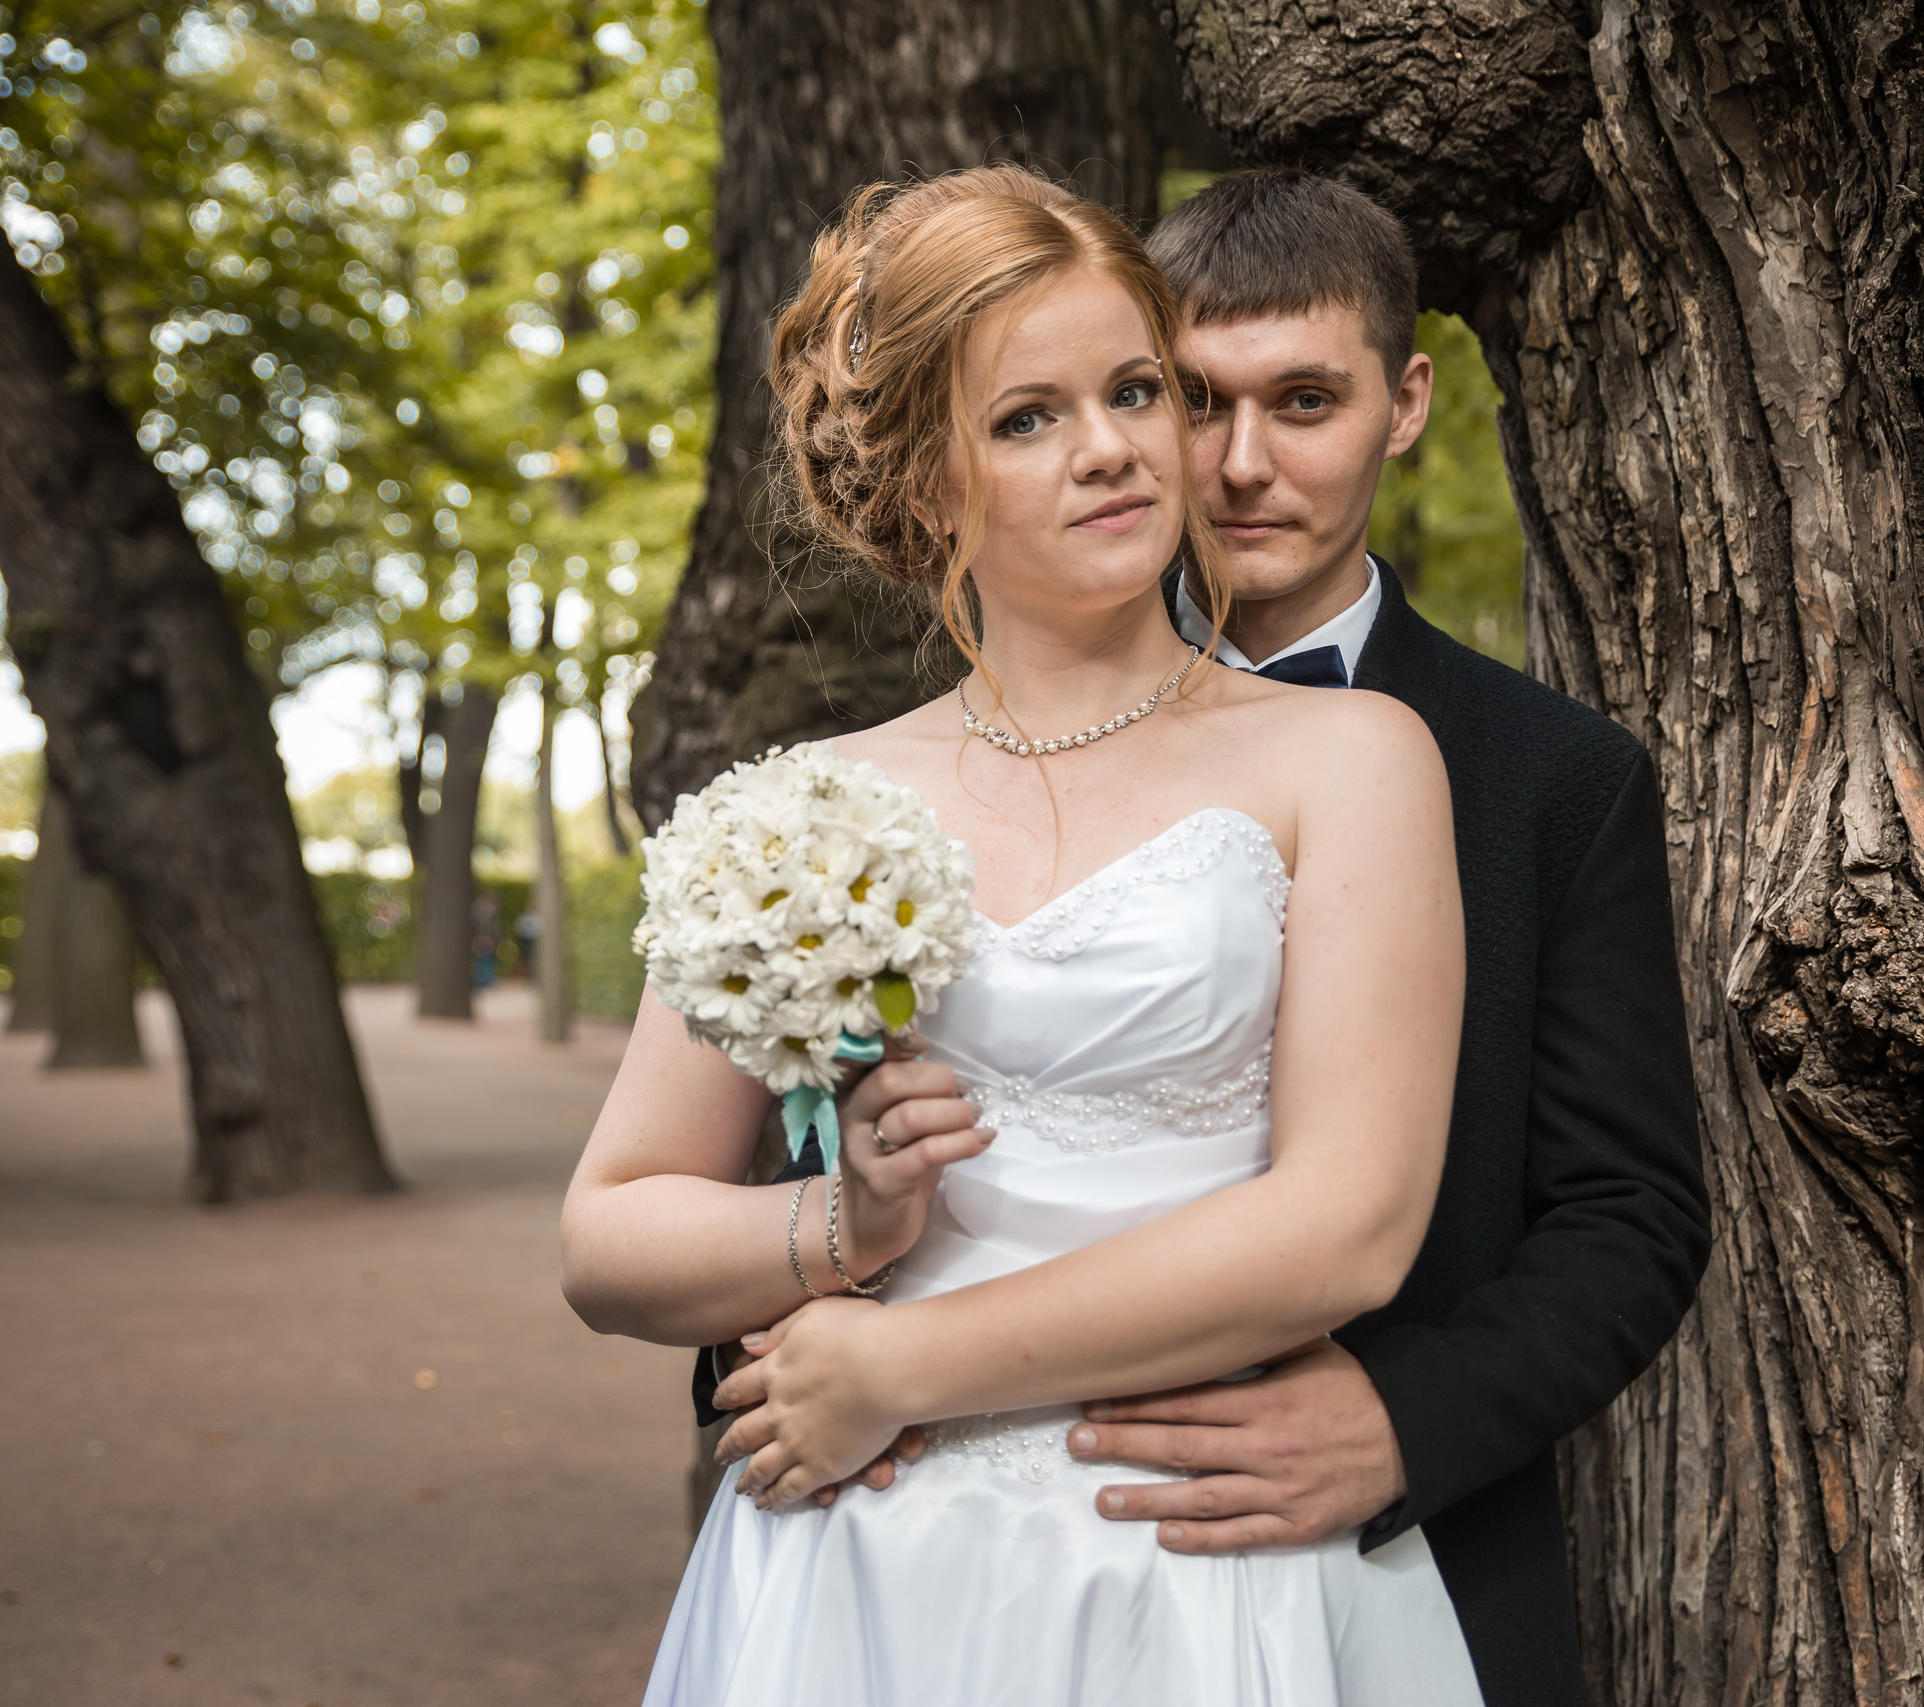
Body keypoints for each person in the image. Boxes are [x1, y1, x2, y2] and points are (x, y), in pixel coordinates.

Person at [560, 165, 1482, 1704]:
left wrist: (899, 1365)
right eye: (1028, 417)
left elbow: (1346, 1228)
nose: (1115, 448)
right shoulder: (806, 815)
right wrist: (843, 1227)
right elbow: (610, 1233)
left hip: (1194, 1560)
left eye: (1136, 389)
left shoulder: (1352, 759)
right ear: (931, 483)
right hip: (861, 1572)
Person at [1058, 168, 1709, 1706]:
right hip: (1019, 1528)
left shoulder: (1554, 778)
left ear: (1405, 402)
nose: (1238, 465)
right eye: (1194, 401)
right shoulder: (1004, 738)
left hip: (1392, 1563)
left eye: (1303, 401)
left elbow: (1630, 1213)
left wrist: (1404, 1423)